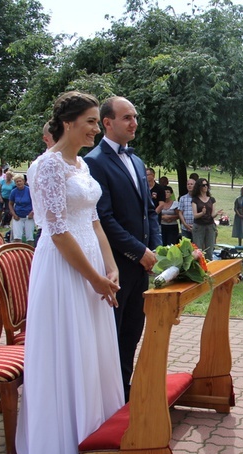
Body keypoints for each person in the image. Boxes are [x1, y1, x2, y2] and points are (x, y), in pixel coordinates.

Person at [17, 91, 124, 454]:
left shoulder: (81, 166)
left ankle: (97, 432)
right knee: (68, 346)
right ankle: (64, 440)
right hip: (64, 268)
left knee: (93, 347)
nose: (97, 128)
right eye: (92, 121)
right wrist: (93, 278)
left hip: (93, 262)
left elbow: (95, 222)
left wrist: (110, 268)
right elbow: (59, 232)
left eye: (98, 121)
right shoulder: (47, 167)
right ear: (69, 123)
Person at [84, 95, 161, 401]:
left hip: (142, 265)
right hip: (114, 265)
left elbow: (149, 212)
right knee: (111, 336)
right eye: (127, 117)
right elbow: (103, 218)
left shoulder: (138, 161)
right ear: (107, 122)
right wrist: (137, 251)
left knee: (132, 332)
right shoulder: (94, 162)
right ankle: (107, 398)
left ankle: (124, 394)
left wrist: (156, 249)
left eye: (135, 117)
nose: (134, 123)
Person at [191, 178, 222, 259]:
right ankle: (199, 268)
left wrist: (217, 214)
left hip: (210, 226)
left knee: (209, 250)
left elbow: (212, 215)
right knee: (198, 250)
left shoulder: (212, 199)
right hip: (199, 226)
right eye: (203, 185)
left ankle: (209, 267)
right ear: (199, 187)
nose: (205, 186)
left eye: (206, 185)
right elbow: (195, 215)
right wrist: (202, 213)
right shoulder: (195, 200)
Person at [8, 174, 35, 243]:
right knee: (17, 237)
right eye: (17, 182)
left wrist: (32, 212)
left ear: (23, 181)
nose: (19, 183)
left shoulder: (29, 190)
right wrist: (14, 214)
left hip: (28, 216)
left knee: (30, 237)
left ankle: (30, 251)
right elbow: (10, 204)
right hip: (18, 216)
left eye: (20, 181)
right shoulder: (13, 192)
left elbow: (35, 203)